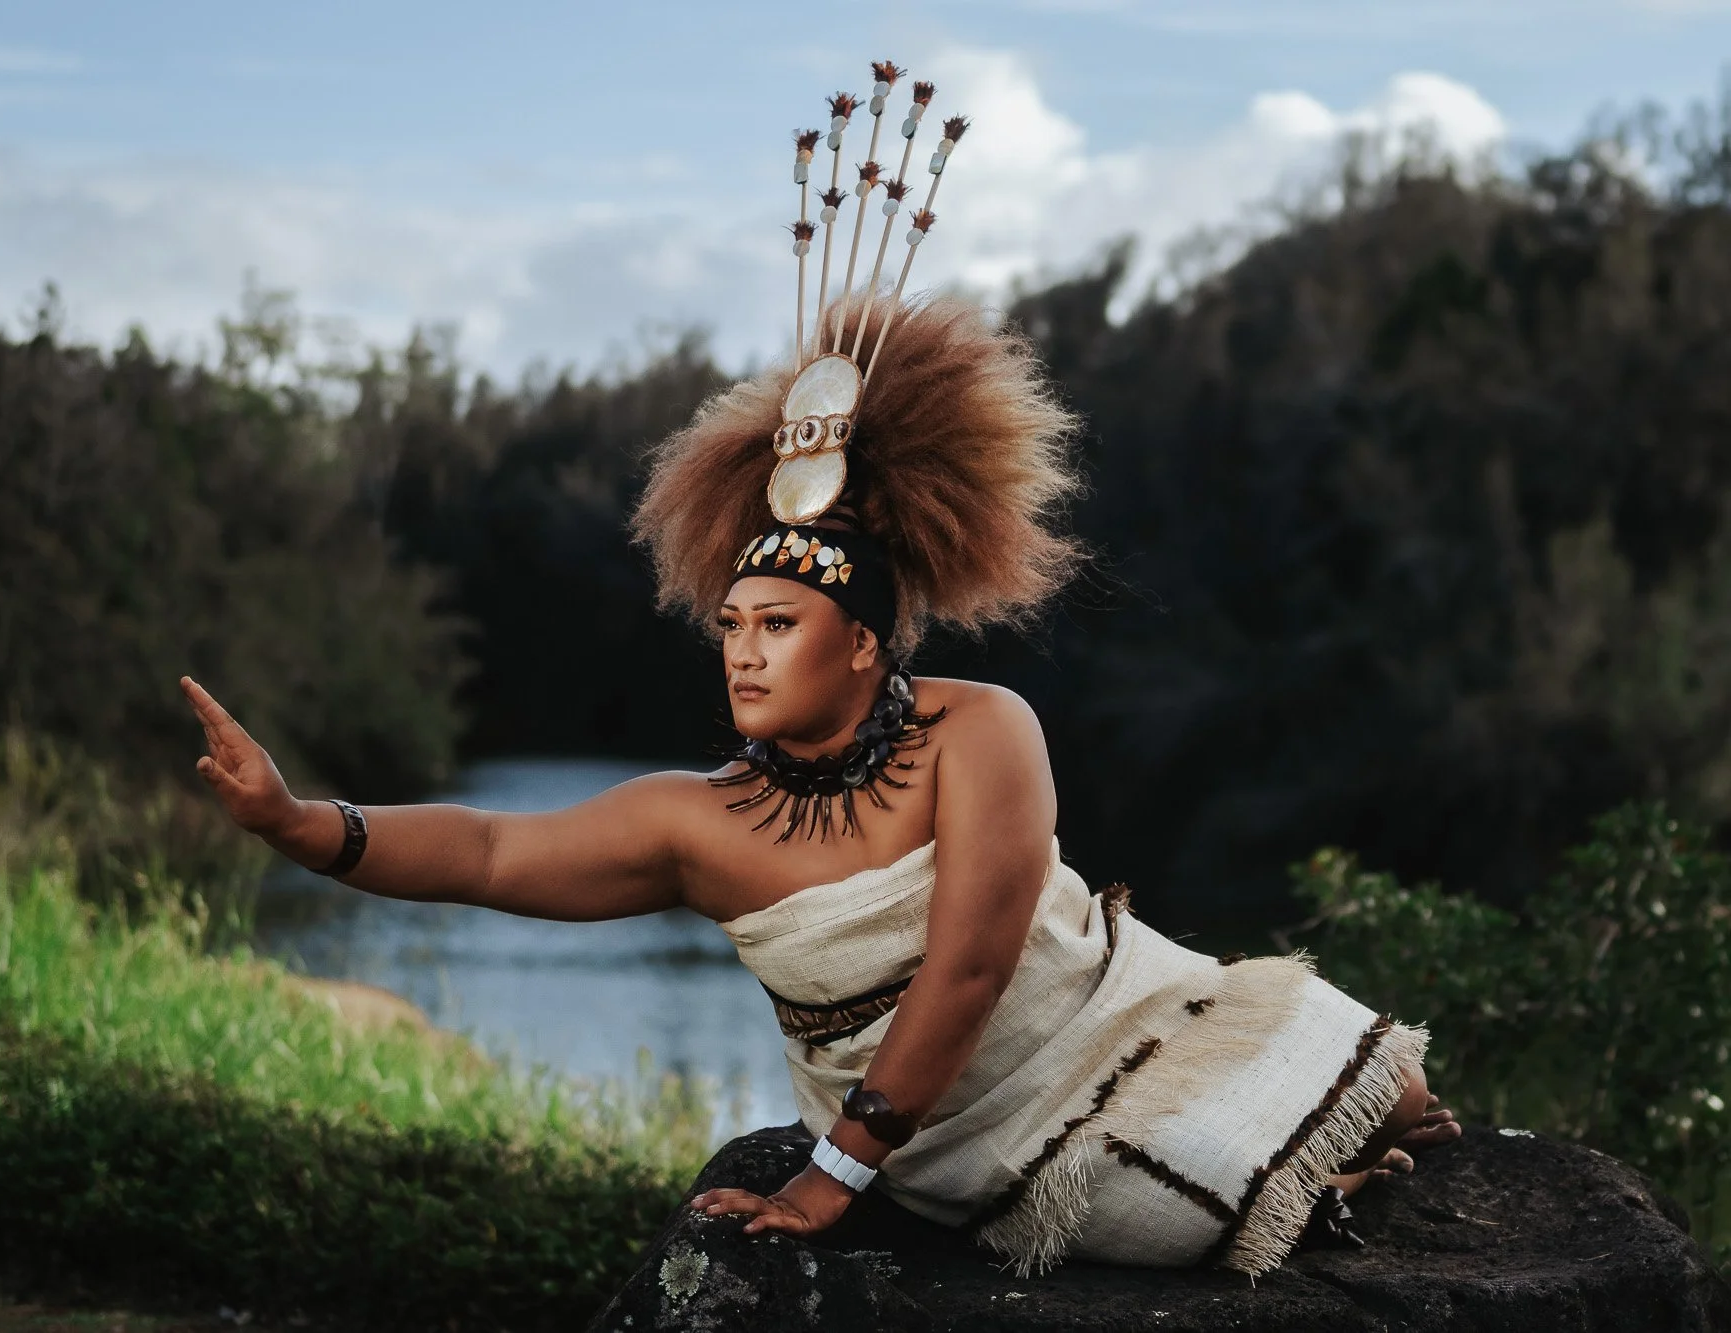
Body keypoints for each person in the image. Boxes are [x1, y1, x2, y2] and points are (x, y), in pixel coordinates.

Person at [180, 59, 1458, 1277]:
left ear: (862, 640)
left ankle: (1332, 1144)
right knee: (1185, 1211)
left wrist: (824, 1177)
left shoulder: (981, 729)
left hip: (1114, 1017)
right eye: (730, 624)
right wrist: (300, 825)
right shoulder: (696, 821)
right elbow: (490, 852)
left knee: (1386, 1083)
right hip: (957, 1136)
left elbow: (971, 964)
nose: (740, 649)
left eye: (775, 625)